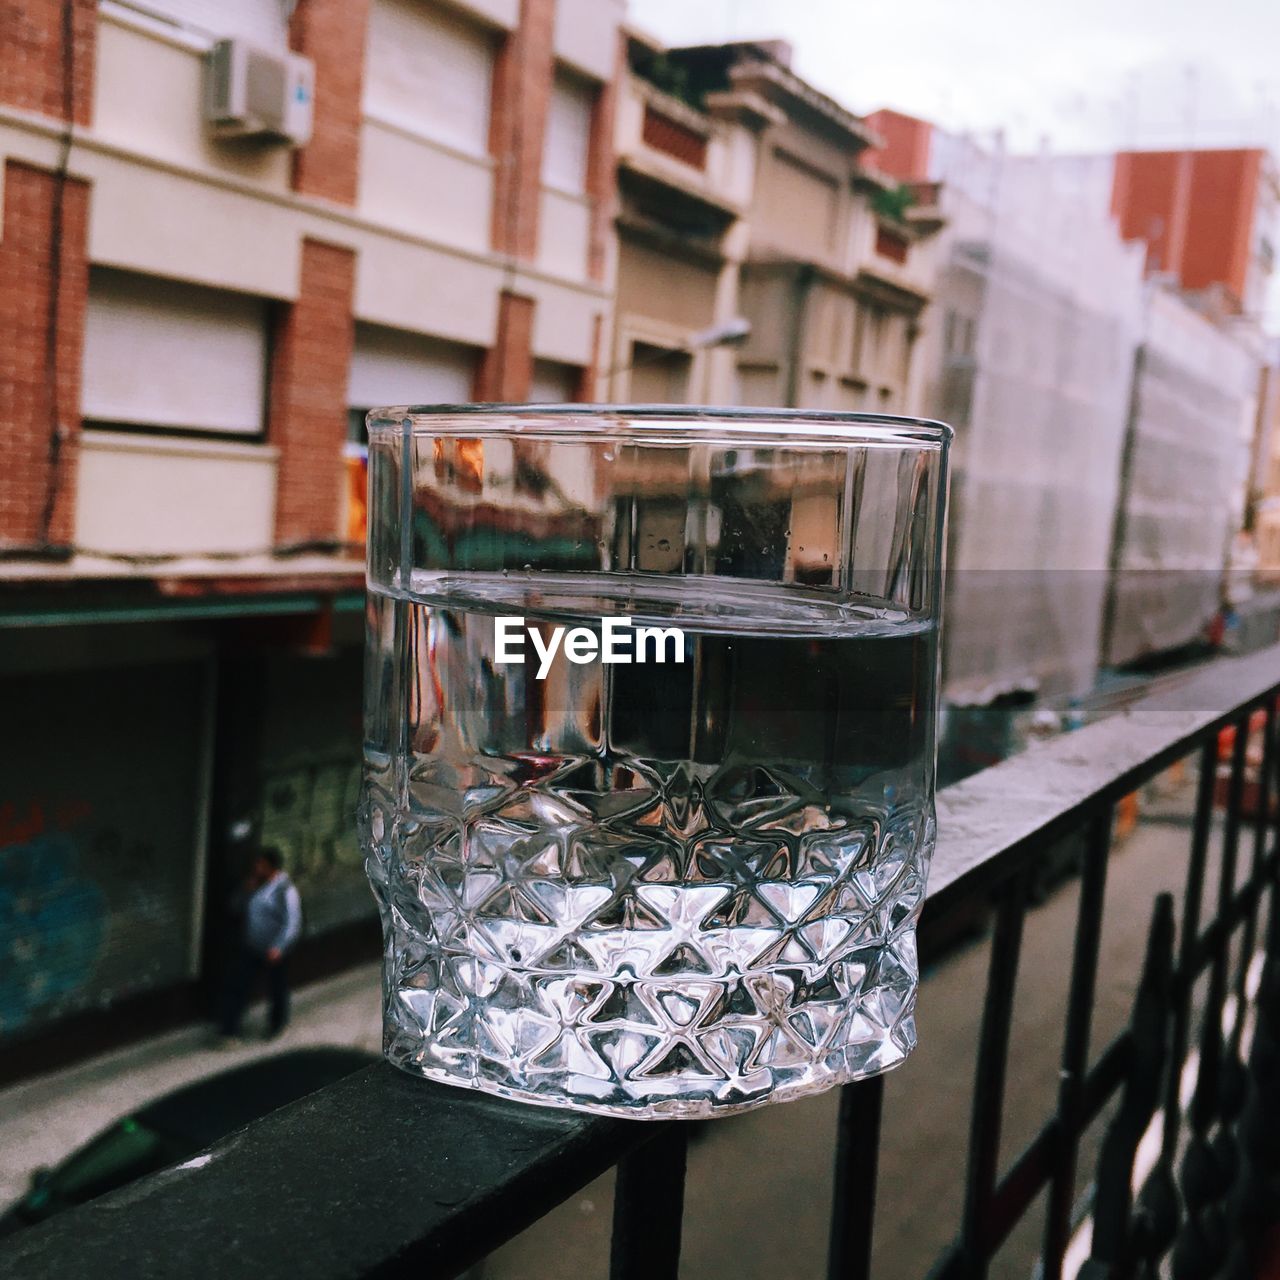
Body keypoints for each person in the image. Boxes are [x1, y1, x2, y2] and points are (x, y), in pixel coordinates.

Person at [218, 847, 303, 1041]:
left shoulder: (285, 890)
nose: (256, 868)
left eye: (260, 864)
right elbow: (234, 907)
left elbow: (292, 922)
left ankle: (277, 1024)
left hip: (273, 950)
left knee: (277, 988)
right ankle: (229, 1029)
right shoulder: (254, 885)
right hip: (252, 947)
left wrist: (279, 946)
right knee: (239, 984)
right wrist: (245, 891)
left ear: (270, 866)